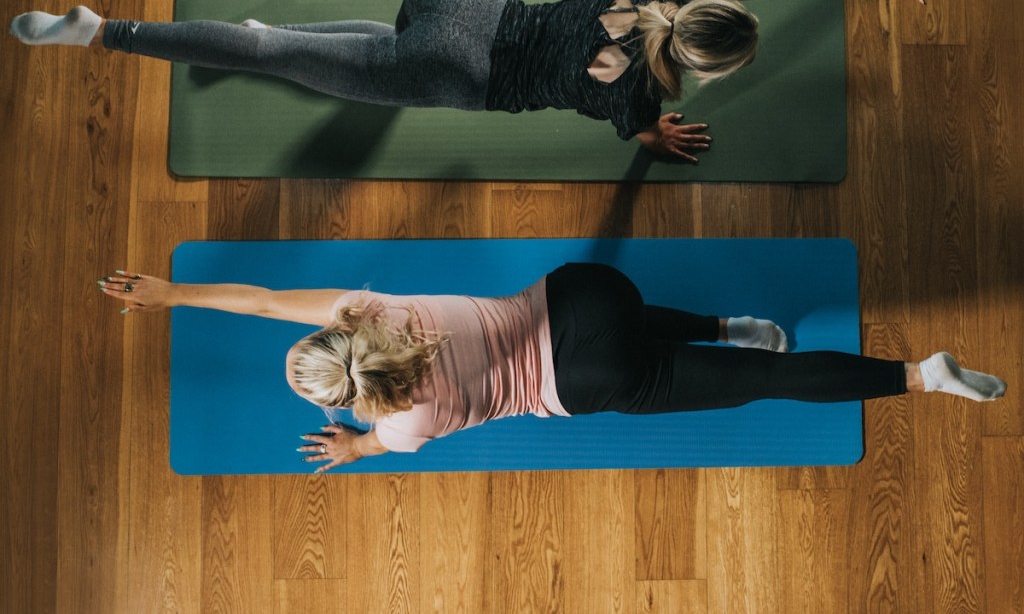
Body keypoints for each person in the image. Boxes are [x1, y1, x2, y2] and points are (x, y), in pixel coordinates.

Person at [97, 262, 1005, 472]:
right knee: (639, 320)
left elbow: (378, 444)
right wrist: (167, 291)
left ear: (351, 393)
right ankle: (735, 322)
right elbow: (258, 300)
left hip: (582, 381)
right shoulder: (363, 310)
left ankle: (920, 375)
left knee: (754, 386)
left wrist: (353, 450)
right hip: (583, 294)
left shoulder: (404, 422)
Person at [13, 0, 954, 161]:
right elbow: (641, 133)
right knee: (270, 56)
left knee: (355, 46)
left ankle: (280, 39)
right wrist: (657, 136)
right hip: (453, 71)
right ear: (705, 66)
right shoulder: (639, 94)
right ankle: (104, 30)